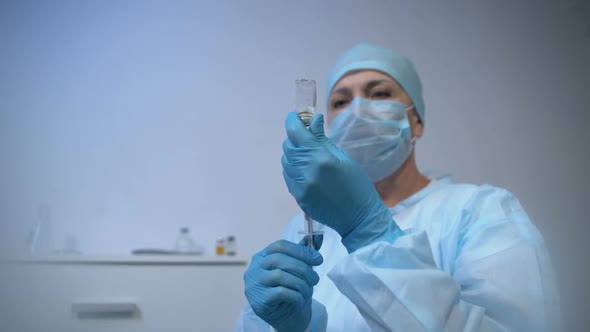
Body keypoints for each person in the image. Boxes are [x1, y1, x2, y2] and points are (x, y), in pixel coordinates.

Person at [234, 43, 561, 331]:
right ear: (328, 127)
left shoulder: (481, 212)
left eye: (379, 94)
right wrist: (289, 328)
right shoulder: (306, 230)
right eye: (341, 101)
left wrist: (367, 230)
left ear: (416, 121)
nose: (358, 110)